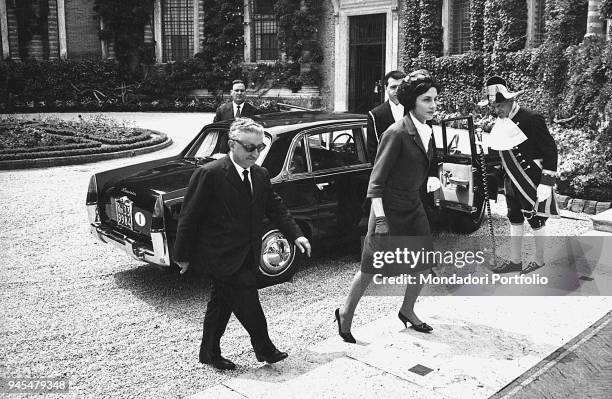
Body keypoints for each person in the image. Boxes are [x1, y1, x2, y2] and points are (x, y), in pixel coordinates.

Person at [174, 118, 311, 370]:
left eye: (259, 147)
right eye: (249, 148)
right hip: (219, 255)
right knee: (248, 299)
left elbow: (275, 207)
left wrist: (297, 234)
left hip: (247, 252)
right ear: (231, 144)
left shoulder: (260, 174)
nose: (255, 153)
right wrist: (182, 255)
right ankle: (265, 348)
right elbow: (189, 216)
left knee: (221, 304)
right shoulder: (210, 173)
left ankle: (209, 352)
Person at [335, 75, 443, 343]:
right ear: (411, 102)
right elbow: (376, 183)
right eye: (426, 100)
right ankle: (345, 313)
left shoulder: (428, 129)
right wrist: (381, 220)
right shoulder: (395, 133)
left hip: (413, 205)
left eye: (435, 99)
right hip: (386, 209)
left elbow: (425, 162)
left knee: (423, 262)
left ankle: (407, 310)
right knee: (372, 266)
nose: (432, 105)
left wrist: (432, 177)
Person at [479, 76, 559, 275]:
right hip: (511, 180)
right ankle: (516, 261)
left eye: (499, 106)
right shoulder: (501, 121)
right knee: (514, 217)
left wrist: (546, 183)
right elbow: (501, 153)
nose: (496, 111)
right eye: (494, 107)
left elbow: (550, 150)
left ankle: (539, 260)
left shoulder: (531, 118)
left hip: (530, 179)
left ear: (509, 101)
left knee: (535, 219)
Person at [367, 69, 432, 160]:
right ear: (386, 88)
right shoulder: (375, 115)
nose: (397, 91)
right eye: (393, 87)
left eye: (400, 86)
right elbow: (373, 151)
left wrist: (432, 173)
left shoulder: (418, 109)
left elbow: (430, 147)